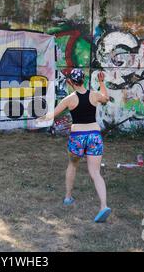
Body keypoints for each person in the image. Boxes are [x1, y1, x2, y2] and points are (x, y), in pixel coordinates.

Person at [39, 68, 111, 223]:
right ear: (83, 81)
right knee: (95, 172)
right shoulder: (94, 94)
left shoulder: (69, 99)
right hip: (94, 136)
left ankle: (67, 197)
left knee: (72, 165)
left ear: (70, 82)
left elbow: (52, 114)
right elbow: (106, 98)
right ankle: (103, 205)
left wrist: (40, 118)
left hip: (78, 137)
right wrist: (101, 82)